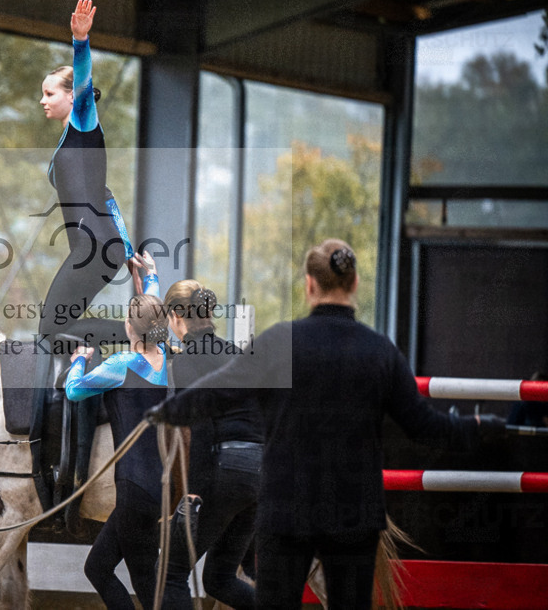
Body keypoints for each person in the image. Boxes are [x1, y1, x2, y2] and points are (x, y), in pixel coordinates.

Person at [146, 238, 506, 609]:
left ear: (309, 284)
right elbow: (425, 427)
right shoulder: (381, 351)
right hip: (354, 510)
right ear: (354, 284)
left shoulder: (278, 343)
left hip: (286, 505)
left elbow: (216, 396)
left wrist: (165, 411)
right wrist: (480, 425)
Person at [38, 0, 135, 355]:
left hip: (93, 247)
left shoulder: (83, 124)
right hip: (99, 245)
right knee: (59, 334)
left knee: (50, 333)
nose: (43, 101)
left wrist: (80, 41)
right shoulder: (73, 140)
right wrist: (126, 251)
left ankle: (146, 332)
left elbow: (83, 79)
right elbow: (106, 195)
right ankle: (83, 389)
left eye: (50, 94)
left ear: (71, 97)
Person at [64, 282, 169, 610]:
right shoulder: (165, 358)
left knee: (129, 579)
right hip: (157, 487)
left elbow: (74, 391)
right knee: (111, 571)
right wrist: (149, 277)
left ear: (127, 327)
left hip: (133, 489)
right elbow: (152, 317)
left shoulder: (122, 364)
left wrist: (79, 361)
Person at [159, 279, 259, 610]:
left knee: (170, 574)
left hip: (227, 472)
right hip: (261, 475)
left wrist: (194, 492)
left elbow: (200, 430)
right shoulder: (235, 353)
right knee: (220, 579)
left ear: (175, 316)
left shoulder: (188, 361)